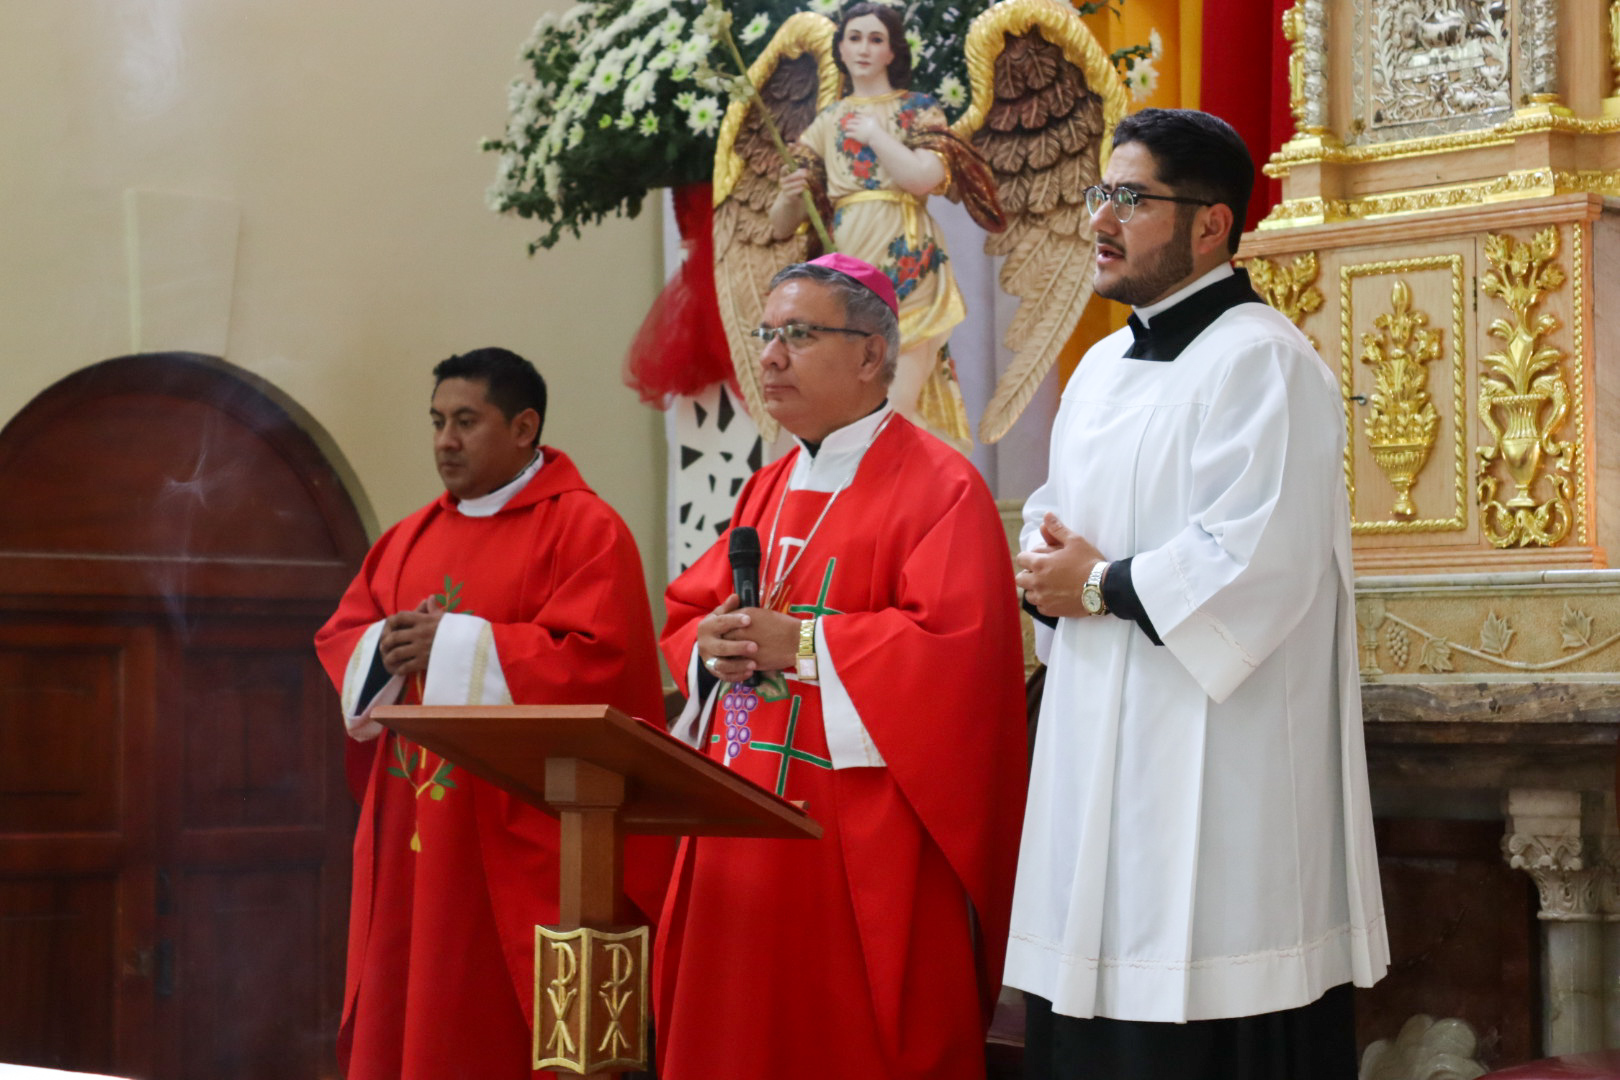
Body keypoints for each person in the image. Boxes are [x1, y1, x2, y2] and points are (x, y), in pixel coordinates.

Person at [1007, 108, 1389, 1080]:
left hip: (1216, 766)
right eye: (1100, 194)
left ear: (1210, 224)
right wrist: (1046, 571)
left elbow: (1263, 554)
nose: (1101, 218)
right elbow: (1055, 511)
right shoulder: (1097, 367)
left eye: (1128, 198)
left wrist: (1095, 582)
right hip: (1097, 739)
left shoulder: (1265, 361)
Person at [656, 254, 1028, 1079]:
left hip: (859, 847)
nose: (772, 357)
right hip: (740, 828)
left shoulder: (942, 490)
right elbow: (690, 619)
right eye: (767, 334)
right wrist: (707, 649)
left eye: (798, 334)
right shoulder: (769, 486)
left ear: (871, 355)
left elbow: (958, 663)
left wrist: (813, 647)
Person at [313, 348, 671, 1080]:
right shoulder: (406, 539)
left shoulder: (584, 530)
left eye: (466, 421)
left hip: (529, 840)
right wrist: (389, 648)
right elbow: (346, 639)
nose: (445, 440)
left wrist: (456, 645)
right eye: (438, 421)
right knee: (414, 1016)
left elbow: (598, 667)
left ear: (524, 427)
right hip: (419, 828)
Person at [769, 2, 1002, 447]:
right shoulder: (827, 123)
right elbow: (782, 226)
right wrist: (788, 194)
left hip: (909, 263)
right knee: (858, 402)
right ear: (839, 47)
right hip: (850, 266)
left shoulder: (918, 110)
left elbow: (922, 178)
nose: (864, 48)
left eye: (876, 39)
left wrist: (876, 135)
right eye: (854, 38)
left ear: (893, 51)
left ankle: (929, 486)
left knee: (896, 400)